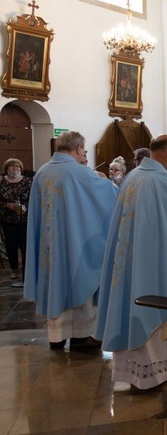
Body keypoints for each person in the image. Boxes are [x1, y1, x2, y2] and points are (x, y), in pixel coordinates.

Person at [96, 134, 167, 390]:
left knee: (132, 301)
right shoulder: (161, 181)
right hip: (152, 262)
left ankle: (135, 372)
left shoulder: (132, 176)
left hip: (131, 256)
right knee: (154, 304)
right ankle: (156, 374)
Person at [24, 132, 118, 350]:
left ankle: (56, 336)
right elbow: (108, 196)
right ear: (77, 149)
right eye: (84, 152)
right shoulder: (79, 173)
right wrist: (109, 184)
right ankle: (80, 335)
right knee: (78, 279)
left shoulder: (43, 172)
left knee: (55, 283)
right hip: (74, 244)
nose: (83, 156)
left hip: (49, 246)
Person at [0, 158, 32, 286]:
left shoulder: (27, 182)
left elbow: (33, 198)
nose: (15, 169)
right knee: (11, 245)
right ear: (7, 169)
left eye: (18, 166)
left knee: (25, 246)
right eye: (12, 167)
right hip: (8, 219)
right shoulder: (2, 183)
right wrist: (7, 205)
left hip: (24, 218)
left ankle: (26, 273)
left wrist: (24, 206)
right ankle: (14, 270)